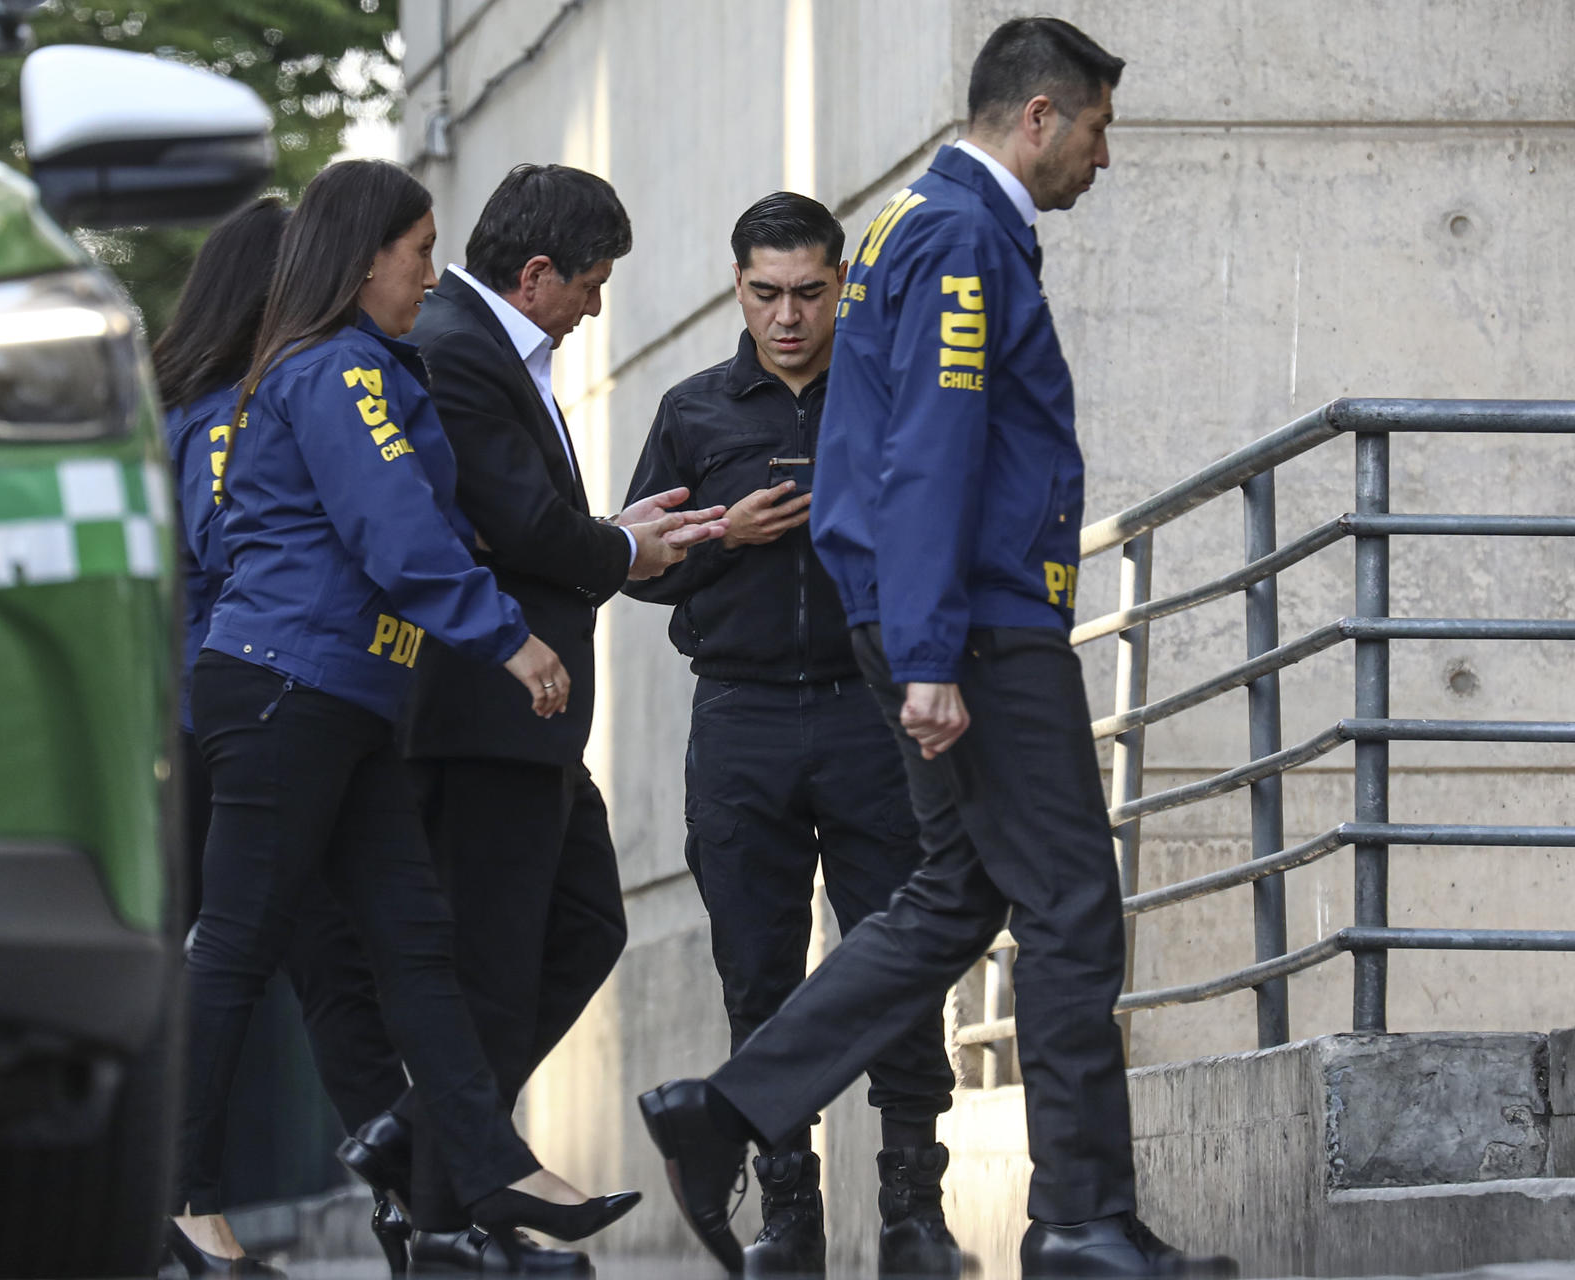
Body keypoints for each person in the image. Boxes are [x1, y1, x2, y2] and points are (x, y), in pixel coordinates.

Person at [636, 20, 1238, 1279]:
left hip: (940, 617)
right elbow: (935, 448)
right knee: (1071, 905)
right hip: (982, 623)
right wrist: (925, 651)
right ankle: (1079, 1219)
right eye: (1096, 129)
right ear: (1036, 116)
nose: (1103, 157)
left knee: (951, 896)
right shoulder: (961, 232)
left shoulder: (915, 221)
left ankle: (728, 1107)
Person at [173, 159, 639, 1276]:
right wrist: (509, 635)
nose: (430, 276)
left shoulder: (355, 368)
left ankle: (481, 1173)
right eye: (418, 252)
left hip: (347, 695)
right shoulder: (337, 372)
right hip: (292, 688)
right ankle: (178, 1194)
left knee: (416, 941)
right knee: (238, 945)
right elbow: (401, 535)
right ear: (363, 255)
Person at [377, 164, 727, 1276]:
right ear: (535, 275)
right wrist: (623, 546)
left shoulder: (484, 347)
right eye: (591, 282)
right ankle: (451, 1220)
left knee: (583, 924)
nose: (595, 306)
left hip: (521, 715)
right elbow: (518, 523)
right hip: (483, 706)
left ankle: (421, 1140)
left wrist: (606, 530)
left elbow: (526, 525)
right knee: (490, 959)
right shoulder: (456, 348)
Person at [620, 191, 960, 1278]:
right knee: (757, 972)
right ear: (738, 289)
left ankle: (914, 1208)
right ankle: (788, 1216)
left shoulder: (889, 391)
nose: (788, 317)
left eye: (810, 293)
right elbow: (635, 565)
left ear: (838, 289)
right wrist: (731, 531)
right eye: (765, 294)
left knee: (896, 963)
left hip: (872, 714)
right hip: (742, 716)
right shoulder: (694, 408)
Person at [151, 195, 415, 1277]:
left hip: (188, 721)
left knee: (315, 961)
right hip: (244, 713)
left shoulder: (169, 412)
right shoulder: (237, 413)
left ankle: (412, 1199)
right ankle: (188, 1199)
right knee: (280, 956)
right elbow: (235, 565)